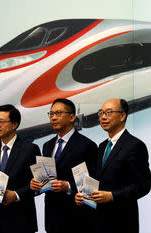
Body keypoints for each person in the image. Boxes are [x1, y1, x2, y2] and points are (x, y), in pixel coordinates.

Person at [75, 99, 151, 233]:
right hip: (98, 221)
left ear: (122, 116)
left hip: (122, 222)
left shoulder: (135, 145)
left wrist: (112, 196)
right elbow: (98, 179)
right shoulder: (102, 146)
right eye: (101, 113)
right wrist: (83, 195)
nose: (103, 117)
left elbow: (143, 185)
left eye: (109, 113)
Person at [30, 98, 98, 233]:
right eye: (51, 114)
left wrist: (67, 186)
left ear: (72, 117)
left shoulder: (87, 145)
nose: (53, 118)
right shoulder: (47, 146)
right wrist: (36, 185)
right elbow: (45, 178)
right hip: (52, 218)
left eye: (58, 113)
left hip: (77, 218)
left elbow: (93, 182)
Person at [0, 104, 41, 233]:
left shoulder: (30, 149)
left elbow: (41, 184)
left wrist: (16, 195)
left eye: (1, 122)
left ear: (14, 124)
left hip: (21, 221)